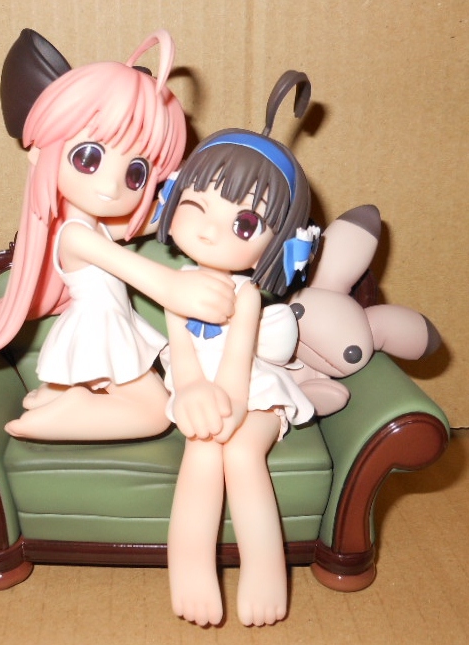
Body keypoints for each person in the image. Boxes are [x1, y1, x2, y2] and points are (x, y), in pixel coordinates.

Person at [0, 29, 236, 440]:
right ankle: (55, 417)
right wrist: (176, 288)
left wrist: (190, 201)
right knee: (156, 413)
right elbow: (133, 268)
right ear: (41, 151)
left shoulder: (92, 225)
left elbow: (146, 223)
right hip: (99, 328)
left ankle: (57, 395)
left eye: (136, 173)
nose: (111, 186)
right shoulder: (74, 235)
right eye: (88, 158)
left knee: (148, 402)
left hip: (105, 324)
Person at [156, 70, 317, 627]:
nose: (209, 231)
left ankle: (266, 572)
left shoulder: (247, 295)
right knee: (201, 454)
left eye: (244, 223)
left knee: (242, 454)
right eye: (196, 204)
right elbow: (180, 352)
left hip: (252, 391)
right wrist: (191, 392)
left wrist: (226, 406)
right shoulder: (176, 285)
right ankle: (189, 570)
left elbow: (240, 361)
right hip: (199, 391)